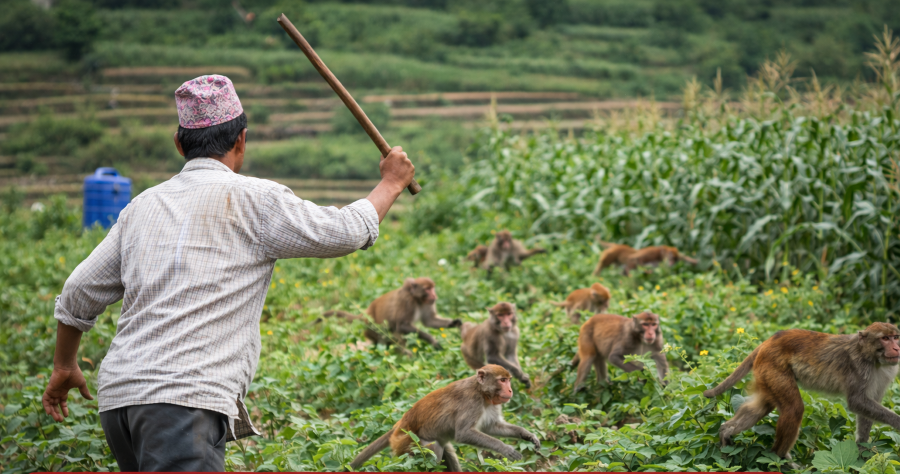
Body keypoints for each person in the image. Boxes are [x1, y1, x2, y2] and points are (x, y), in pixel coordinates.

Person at [41, 75, 415, 471]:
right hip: (183, 404)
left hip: (120, 404)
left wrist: (64, 365)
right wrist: (391, 182)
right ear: (241, 141)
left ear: (179, 144)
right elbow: (345, 232)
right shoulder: (255, 199)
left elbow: (78, 290)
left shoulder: (142, 207)